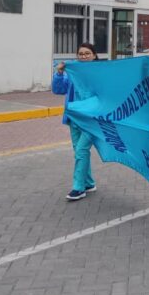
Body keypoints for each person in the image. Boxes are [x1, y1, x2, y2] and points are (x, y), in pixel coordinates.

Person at [52, 43, 99, 201]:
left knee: (81, 150)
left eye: (87, 53)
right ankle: (89, 183)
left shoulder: (100, 74)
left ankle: (78, 188)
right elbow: (58, 90)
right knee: (79, 152)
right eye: (81, 54)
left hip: (91, 120)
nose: (84, 56)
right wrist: (59, 73)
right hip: (74, 118)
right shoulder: (73, 73)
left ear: (94, 55)